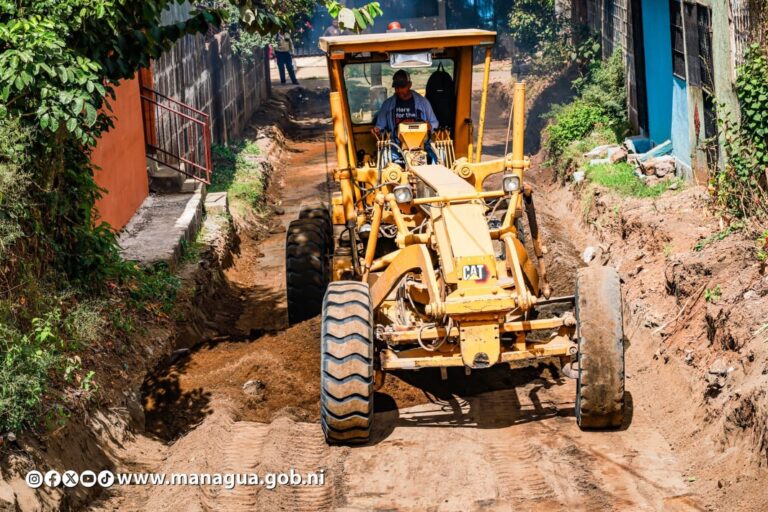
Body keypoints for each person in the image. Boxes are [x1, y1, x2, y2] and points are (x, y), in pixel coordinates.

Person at [371, 70, 438, 138]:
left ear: (410, 85)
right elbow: (380, 127)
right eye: (396, 88)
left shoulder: (423, 103)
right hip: (395, 145)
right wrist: (378, 131)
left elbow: (435, 123)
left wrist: (430, 127)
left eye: (402, 87)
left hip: (420, 144)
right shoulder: (387, 105)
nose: (399, 90)